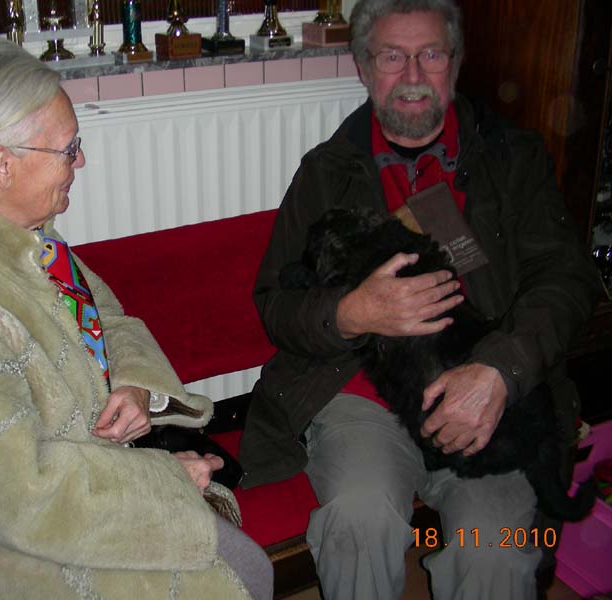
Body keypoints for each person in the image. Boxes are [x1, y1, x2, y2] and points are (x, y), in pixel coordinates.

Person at [0, 38, 271, 600]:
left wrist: (134, 384)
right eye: (69, 149)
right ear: (0, 163)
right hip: (4, 544)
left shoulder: (16, 231)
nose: (81, 162)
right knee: (242, 575)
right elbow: (15, 498)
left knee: (245, 565)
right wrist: (168, 482)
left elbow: (103, 314)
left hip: (82, 483)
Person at [238, 0, 600, 599]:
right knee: (358, 522)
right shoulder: (325, 171)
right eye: (391, 57)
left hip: (485, 394)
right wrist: (350, 313)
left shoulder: (513, 157)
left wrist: (500, 370)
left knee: (494, 549)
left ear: (455, 63)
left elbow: (567, 279)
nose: (412, 75)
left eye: (430, 54)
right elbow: (275, 304)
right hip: (360, 396)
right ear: (363, 67)